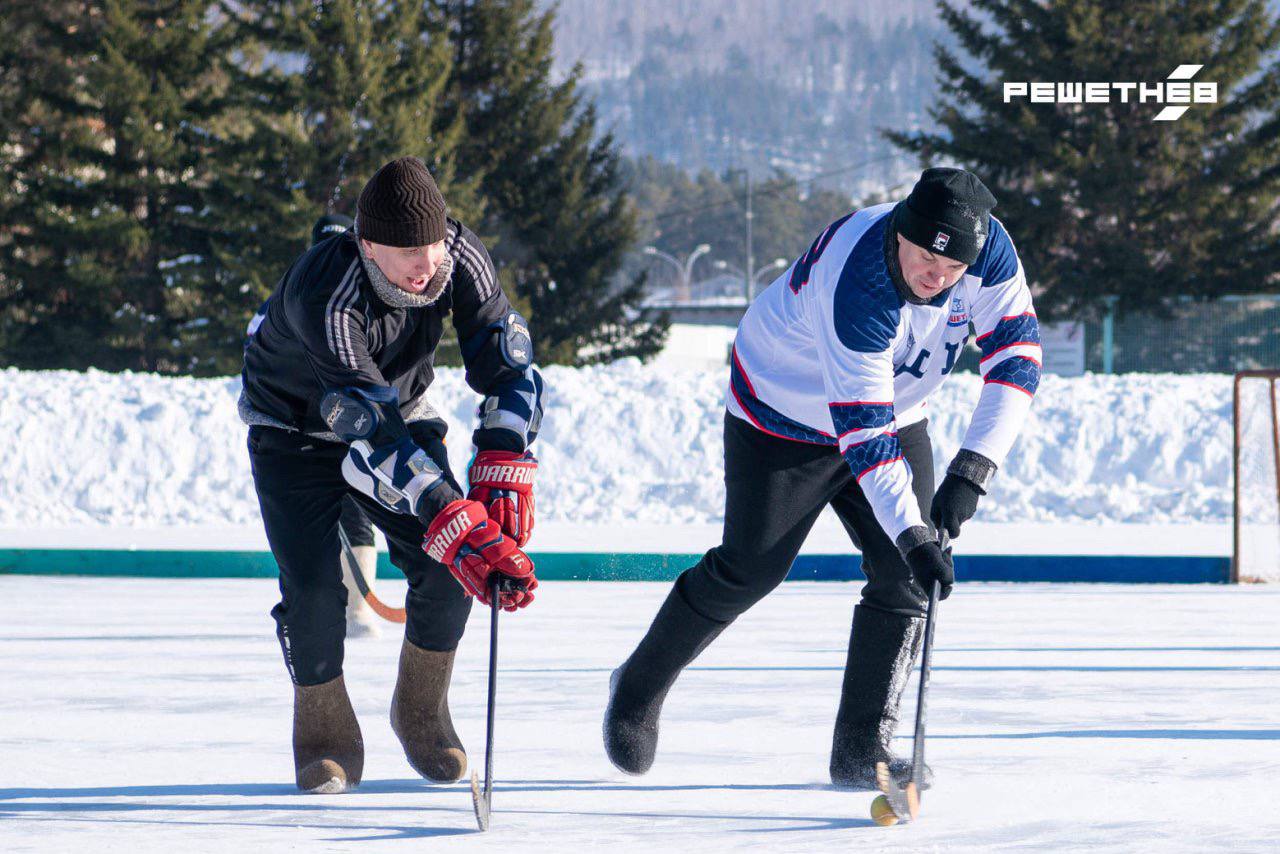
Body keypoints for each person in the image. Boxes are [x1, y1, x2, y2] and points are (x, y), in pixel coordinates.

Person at [603, 168, 1041, 789]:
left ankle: (862, 748)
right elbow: (864, 439)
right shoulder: (858, 279)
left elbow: (1017, 359)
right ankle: (637, 686)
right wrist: (915, 536)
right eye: (924, 259)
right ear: (901, 233)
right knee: (751, 569)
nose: (937, 278)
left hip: (894, 408)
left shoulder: (989, 249)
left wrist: (972, 470)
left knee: (903, 577)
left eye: (952, 269)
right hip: (782, 411)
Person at [240, 157, 545, 794]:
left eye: (431, 245)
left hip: (400, 412)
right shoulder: (328, 292)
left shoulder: (457, 254)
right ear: (367, 244)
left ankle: (421, 713)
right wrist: (451, 513)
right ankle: (322, 733)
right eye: (407, 251)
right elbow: (371, 432)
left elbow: (511, 369)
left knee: (447, 568)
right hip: (293, 431)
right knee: (314, 593)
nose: (425, 263)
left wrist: (504, 460)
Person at [248, 213, 385, 639]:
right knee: (319, 521)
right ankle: (334, 611)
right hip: (303, 427)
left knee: (354, 511)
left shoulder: (328, 291)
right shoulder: (295, 294)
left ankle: (355, 611)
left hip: (346, 422)